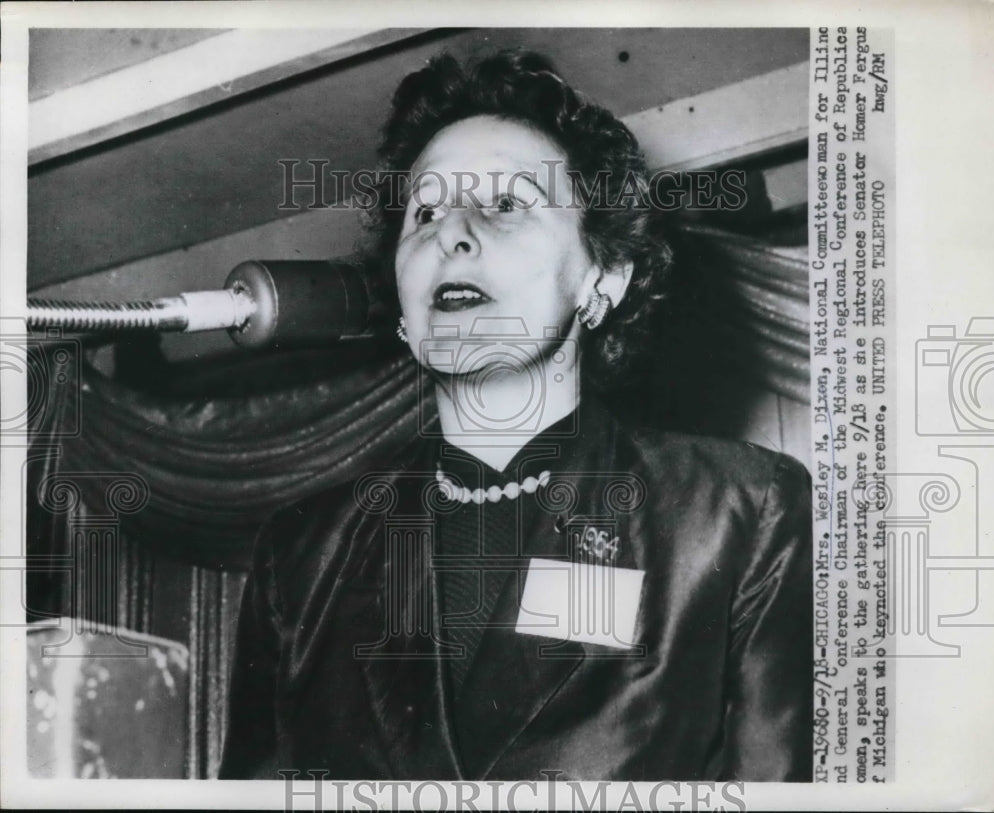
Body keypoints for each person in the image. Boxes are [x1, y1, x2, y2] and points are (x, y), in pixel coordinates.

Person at [219, 50, 812, 782]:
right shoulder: (302, 555)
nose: (451, 234)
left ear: (602, 274)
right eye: (425, 211)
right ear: (400, 303)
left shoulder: (741, 514)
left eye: (505, 204)